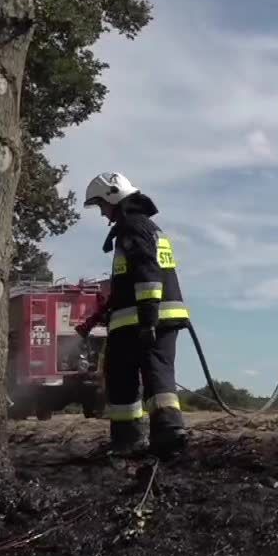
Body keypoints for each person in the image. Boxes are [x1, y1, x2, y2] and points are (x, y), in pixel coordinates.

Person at [83, 171, 191, 457]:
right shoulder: (145, 227)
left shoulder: (132, 227)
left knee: (131, 376)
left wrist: (147, 318)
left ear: (113, 196)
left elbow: (147, 272)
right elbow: (128, 281)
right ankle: (160, 434)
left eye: (101, 205)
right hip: (150, 317)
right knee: (153, 372)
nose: (102, 212)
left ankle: (143, 438)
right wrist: (103, 313)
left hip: (143, 319)